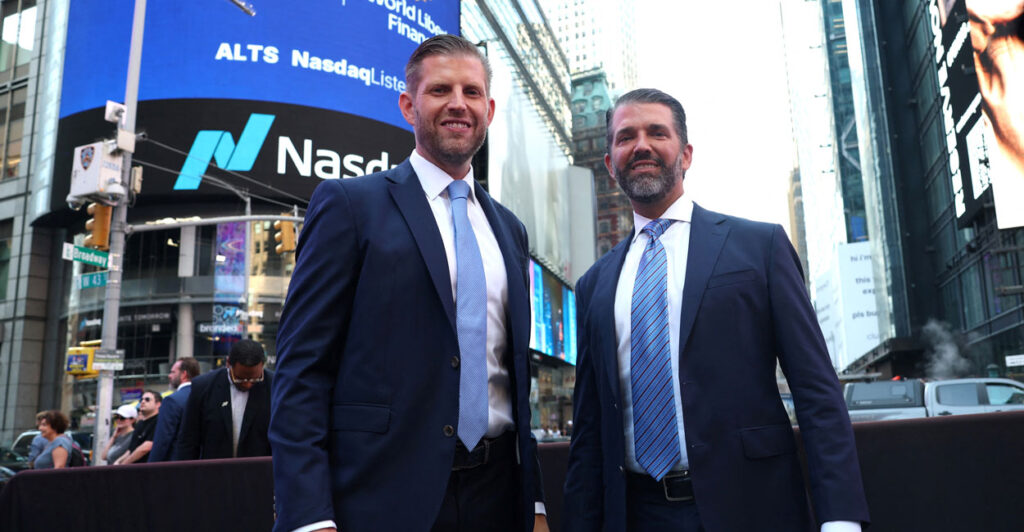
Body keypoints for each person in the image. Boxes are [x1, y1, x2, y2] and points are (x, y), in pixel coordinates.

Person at [270, 34, 546, 532]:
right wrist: (309, 516)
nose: (458, 104)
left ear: (489, 109)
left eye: (472, 92)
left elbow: (516, 377)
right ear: (408, 105)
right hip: (382, 498)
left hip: (500, 497)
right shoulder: (349, 205)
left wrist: (537, 504)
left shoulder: (510, 229)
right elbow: (301, 370)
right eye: (440, 90)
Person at [563, 89, 870, 531]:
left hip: (753, 508)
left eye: (657, 133)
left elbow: (817, 391)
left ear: (685, 154)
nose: (642, 145)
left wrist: (841, 517)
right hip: (635, 515)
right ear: (611, 163)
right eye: (626, 137)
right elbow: (589, 430)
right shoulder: (594, 285)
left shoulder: (759, 248)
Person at [174, 341, 272, 460]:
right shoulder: (203, 387)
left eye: (254, 379)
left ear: (263, 366)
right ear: (228, 363)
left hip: (260, 473)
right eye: (240, 379)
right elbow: (188, 441)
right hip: (215, 473)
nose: (247, 384)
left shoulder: (275, 386)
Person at [149, 357, 201, 461]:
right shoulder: (205, 397)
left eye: (173, 372)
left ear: (184, 374)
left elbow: (162, 440)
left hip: (175, 467)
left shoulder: (172, 400)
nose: (169, 376)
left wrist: (150, 469)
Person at [116, 390, 161, 464]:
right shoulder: (140, 424)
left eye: (147, 399)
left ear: (158, 404)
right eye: (141, 399)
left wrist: (124, 463)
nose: (143, 402)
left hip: (148, 468)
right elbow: (131, 449)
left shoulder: (159, 421)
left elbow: (146, 448)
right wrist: (118, 461)